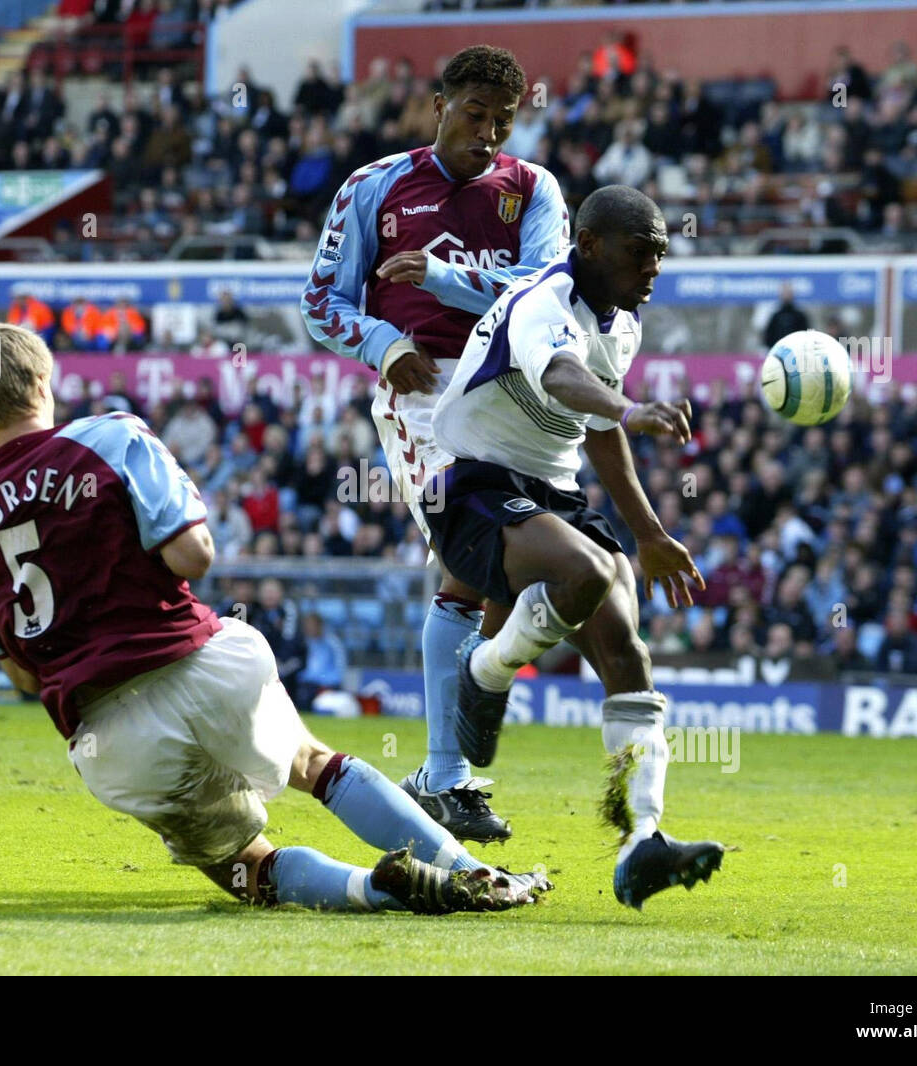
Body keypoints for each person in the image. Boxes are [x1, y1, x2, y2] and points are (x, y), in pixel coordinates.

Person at [0, 323, 548, 914]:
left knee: (245, 866)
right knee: (314, 765)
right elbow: (194, 555)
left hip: (111, 733)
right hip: (201, 663)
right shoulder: (111, 438)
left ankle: (378, 889)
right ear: (43, 381)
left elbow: (22, 676)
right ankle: (471, 872)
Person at [426, 185, 724, 910]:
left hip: (550, 493)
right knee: (589, 570)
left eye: (660, 253)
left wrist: (651, 534)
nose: (653, 268)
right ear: (589, 245)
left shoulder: (621, 325)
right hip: (471, 483)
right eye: (639, 253)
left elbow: (597, 431)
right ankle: (486, 673)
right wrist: (628, 404)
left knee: (628, 646)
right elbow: (562, 376)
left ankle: (642, 840)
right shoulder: (542, 302)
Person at [301, 45, 570, 842]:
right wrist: (384, 343)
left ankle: (439, 774)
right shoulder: (374, 186)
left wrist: (448, 280)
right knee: (472, 558)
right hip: (421, 394)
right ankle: (448, 777)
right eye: (474, 114)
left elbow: (545, 291)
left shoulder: (534, 190)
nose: (487, 134)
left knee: (505, 579)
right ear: (438, 106)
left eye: (502, 121)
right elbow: (320, 300)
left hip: (512, 393)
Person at [762, 282, 809, 350]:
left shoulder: (800, 316)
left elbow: (806, 335)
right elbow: (768, 337)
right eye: (784, 293)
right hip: (778, 352)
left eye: (788, 293)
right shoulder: (776, 316)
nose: (786, 295)